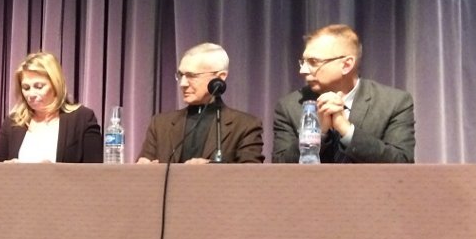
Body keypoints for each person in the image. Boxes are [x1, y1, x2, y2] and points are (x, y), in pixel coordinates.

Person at [272, 24, 415, 163]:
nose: (303, 70)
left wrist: (346, 129)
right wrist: (318, 133)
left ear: (346, 65)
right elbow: (279, 167)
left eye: (313, 62)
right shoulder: (290, 106)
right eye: (303, 62)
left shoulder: (394, 102)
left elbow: (402, 162)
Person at [137, 43, 263, 164]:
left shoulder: (245, 126)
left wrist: (210, 169)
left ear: (220, 77)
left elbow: (251, 176)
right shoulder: (160, 124)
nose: (183, 84)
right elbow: (143, 170)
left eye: (192, 76)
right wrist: (142, 169)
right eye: (181, 75)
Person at [0, 51, 103, 163]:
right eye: (26, 87)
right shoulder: (13, 122)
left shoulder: (82, 119)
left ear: (55, 85)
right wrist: (7, 169)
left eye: (39, 86)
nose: (31, 94)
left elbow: (94, 173)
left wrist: (52, 172)